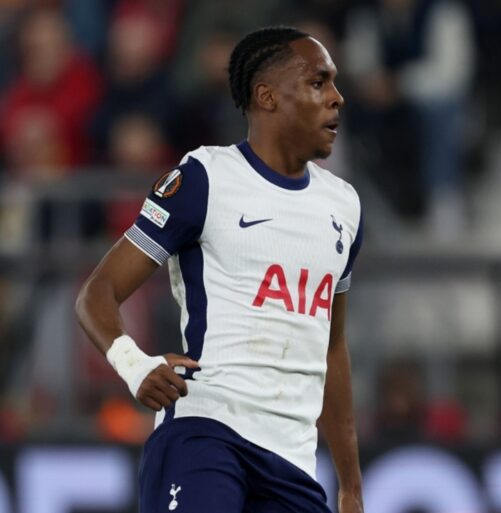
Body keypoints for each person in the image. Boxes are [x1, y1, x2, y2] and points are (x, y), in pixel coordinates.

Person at [76, 26, 364, 513]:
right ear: (267, 96)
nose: (337, 97)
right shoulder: (204, 178)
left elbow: (331, 348)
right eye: (318, 82)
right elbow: (97, 292)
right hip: (206, 432)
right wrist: (134, 364)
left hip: (292, 462)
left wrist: (351, 486)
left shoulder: (345, 206)